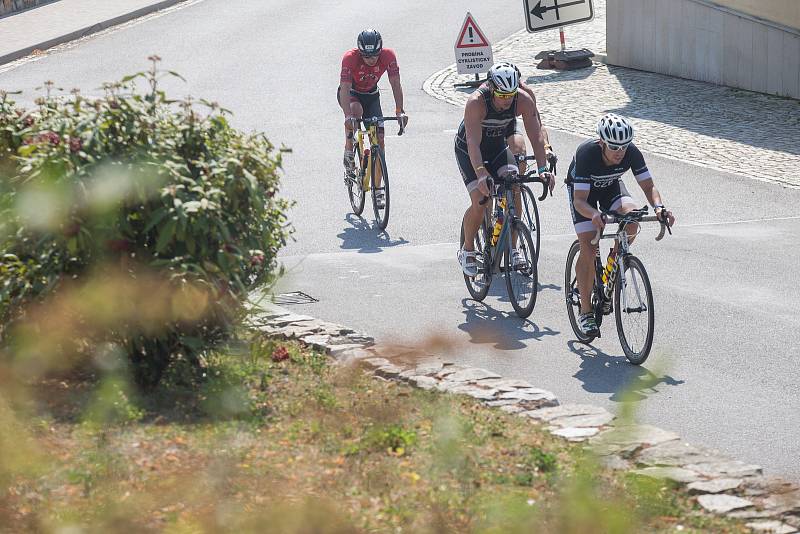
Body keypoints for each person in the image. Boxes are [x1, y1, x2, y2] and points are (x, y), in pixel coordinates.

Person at [567, 113, 675, 336]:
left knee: (633, 219)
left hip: (610, 187)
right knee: (588, 247)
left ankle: (614, 260)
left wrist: (659, 207)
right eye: (614, 147)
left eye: (624, 147)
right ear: (602, 142)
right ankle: (586, 312)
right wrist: (594, 214)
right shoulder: (587, 153)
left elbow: (648, 186)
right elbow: (579, 201)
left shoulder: (631, 153)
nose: (620, 153)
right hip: (583, 194)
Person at [455, 62, 555, 276]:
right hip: (470, 150)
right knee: (480, 201)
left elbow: (536, 137)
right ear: (491, 88)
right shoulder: (476, 102)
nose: (507, 100)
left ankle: (514, 247)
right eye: (502, 95)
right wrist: (481, 173)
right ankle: (467, 249)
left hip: (497, 147)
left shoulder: (523, 100)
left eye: (510, 95)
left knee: (514, 183)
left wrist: (543, 168)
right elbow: (473, 143)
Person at [338, 29, 407, 209]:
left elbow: (395, 83)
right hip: (351, 95)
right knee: (356, 110)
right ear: (360, 52)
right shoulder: (350, 58)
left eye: (375, 56)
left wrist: (400, 110)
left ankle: (378, 190)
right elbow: (344, 88)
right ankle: (349, 148)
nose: (371, 60)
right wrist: (347, 116)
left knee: (380, 140)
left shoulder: (388, 56)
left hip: (372, 95)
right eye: (367, 57)